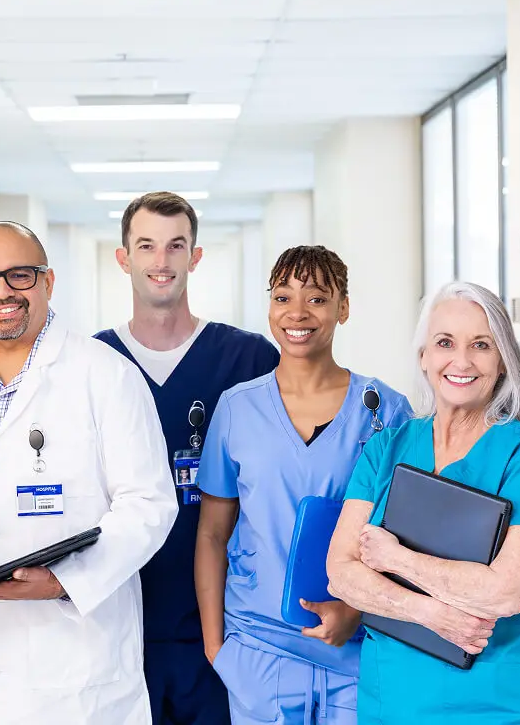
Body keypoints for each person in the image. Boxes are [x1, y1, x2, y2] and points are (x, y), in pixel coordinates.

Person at [0, 221, 179, 725]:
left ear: (48, 282)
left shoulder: (105, 373)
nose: (3, 292)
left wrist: (62, 580)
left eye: (20, 275)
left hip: (70, 640)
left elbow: (150, 505)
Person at [326, 281, 520, 725]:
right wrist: (428, 613)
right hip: (393, 697)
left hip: (498, 698)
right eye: (444, 343)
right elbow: (341, 574)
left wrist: (396, 559)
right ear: (424, 357)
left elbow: (508, 591)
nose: (462, 360)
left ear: (501, 363)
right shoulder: (386, 448)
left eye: (481, 345)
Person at [194, 246, 412, 724]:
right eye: (282, 296)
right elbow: (212, 533)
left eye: (316, 298)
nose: (297, 313)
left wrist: (356, 610)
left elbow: (408, 537)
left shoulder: (385, 412)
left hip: (356, 649)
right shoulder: (236, 409)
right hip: (257, 647)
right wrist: (216, 647)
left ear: (344, 308)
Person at [94, 192, 279, 725]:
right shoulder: (95, 362)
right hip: (123, 622)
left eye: (176, 246)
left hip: (224, 623)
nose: (161, 261)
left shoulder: (248, 358)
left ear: (195, 257)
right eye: (146, 246)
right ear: (123, 258)